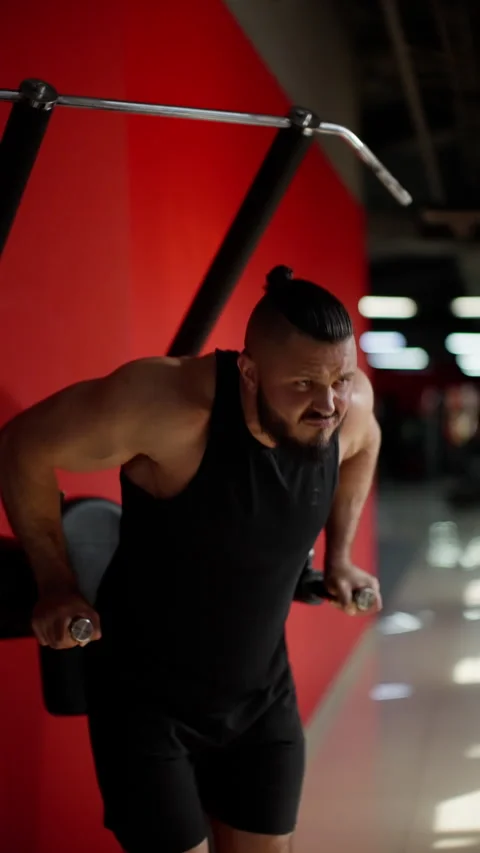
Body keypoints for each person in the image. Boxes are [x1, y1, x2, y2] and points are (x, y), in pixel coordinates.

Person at [0, 265, 382, 853]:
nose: (329, 403)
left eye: (341, 379)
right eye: (304, 384)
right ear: (250, 372)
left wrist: (342, 558)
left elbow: (365, 445)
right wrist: (55, 583)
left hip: (262, 697)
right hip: (145, 702)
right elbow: (23, 446)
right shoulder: (168, 406)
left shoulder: (347, 407)